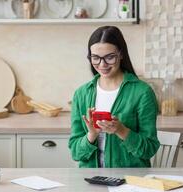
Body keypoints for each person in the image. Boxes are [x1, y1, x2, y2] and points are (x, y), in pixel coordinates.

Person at [68, 26, 160, 168]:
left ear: (121, 54)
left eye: (110, 57)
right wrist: (91, 135)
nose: (102, 64)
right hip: (91, 179)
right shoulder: (81, 94)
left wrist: (121, 130)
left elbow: (149, 149)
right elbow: (75, 153)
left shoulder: (142, 93)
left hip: (129, 180)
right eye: (95, 58)